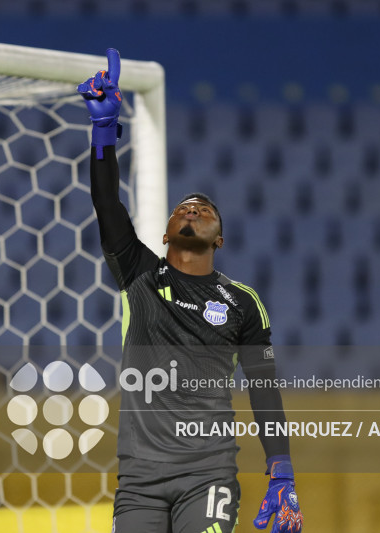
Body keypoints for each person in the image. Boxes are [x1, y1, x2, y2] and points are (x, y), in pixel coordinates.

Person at [77, 49, 302, 533]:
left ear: (219, 239)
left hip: (209, 474)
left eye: (205, 208)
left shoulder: (242, 302)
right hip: (138, 479)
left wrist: (280, 466)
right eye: (184, 207)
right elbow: (105, 200)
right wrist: (103, 133)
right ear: (164, 233)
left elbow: (263, 386)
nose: (193, 207)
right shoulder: (138, 272)